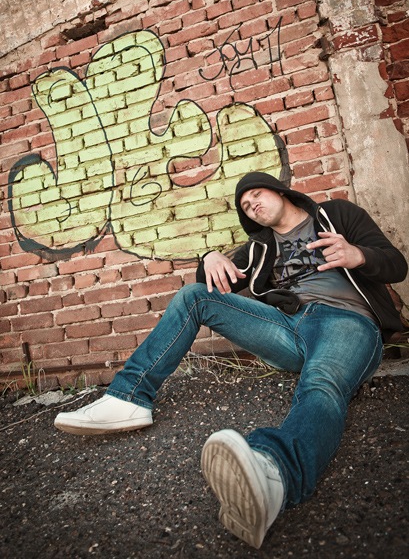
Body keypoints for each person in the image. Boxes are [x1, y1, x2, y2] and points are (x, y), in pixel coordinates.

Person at [54, 172, 407, 549]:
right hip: (289, 329)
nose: (253, 205)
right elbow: (217, 281)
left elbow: (396, 265)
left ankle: (273, 475)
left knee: (321, 385)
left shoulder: (336, 215)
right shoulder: (259, 249)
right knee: (194, 296)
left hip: (348, 322)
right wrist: (208, 259)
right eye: (246, 206)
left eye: (257, 195)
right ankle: (128, 398)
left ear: (279, 191)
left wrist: (358, 255)